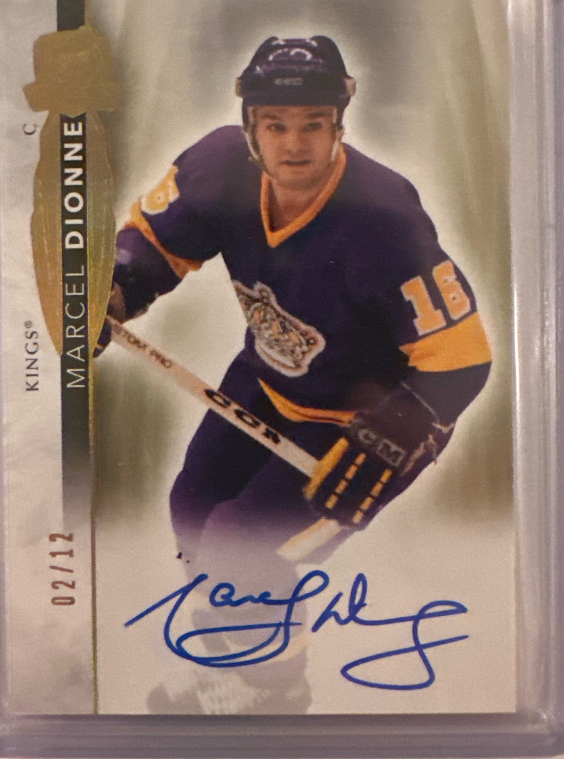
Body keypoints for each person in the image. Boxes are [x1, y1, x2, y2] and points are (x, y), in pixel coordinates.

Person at [99, 35, 491, 712]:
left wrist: (389, 441)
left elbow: (461, 359)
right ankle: (226, 655)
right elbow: (158, 240)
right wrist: (119, 287)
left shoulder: (383, 219)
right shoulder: (221, 166)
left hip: (363, 422)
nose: (295, 144)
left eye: (314, 124)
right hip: (270, 380)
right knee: (193, 508)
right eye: (275, 125)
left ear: (340, 124)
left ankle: (275, 690)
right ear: (249, 126)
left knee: (246, 546)